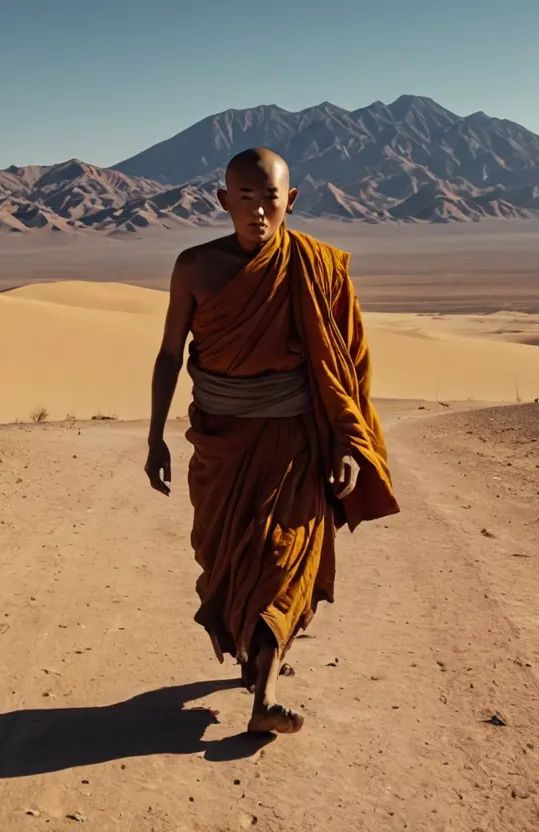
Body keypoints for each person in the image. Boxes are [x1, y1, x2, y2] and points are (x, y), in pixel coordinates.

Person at [144, 147, 399, 735]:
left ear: (292, 200)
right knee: (228, 557)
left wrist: (344, 442)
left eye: (271, 198)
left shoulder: (320, 267)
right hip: (221, 441)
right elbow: (168, 355)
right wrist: (155, 435)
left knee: (284, 560)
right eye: (247, 198)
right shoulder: (194, 268)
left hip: (296, 439)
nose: (259, 211)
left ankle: (265, 692)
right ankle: (251, 651)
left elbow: (346, 366)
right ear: (223, 200)